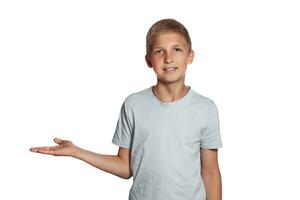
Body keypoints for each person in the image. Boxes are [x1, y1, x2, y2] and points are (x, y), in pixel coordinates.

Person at [29, 18, 223, 200]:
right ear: (148, 60)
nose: (168, 58)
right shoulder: (134, 105)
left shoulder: (205, 109)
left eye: (177, 50)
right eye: (159, 51)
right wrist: (77, 151)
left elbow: (210, 172)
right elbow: (125, 167)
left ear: (190, 56)